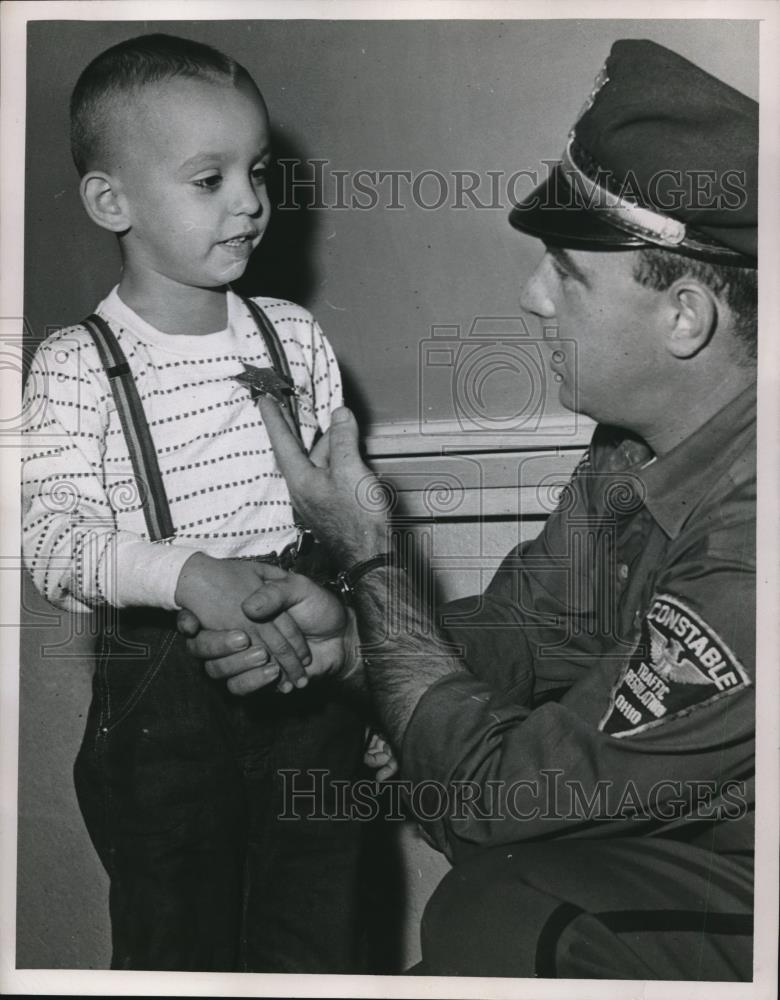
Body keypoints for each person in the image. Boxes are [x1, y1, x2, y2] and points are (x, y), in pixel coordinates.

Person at [180, 39, 758, 979]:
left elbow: (498, 796)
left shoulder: (754, 546)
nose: (533, 298)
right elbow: (526, 628)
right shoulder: (633, 449)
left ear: (684, 317)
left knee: (505, 908)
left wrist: (370, 560)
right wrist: (358, 643)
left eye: (565, 273)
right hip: (690, 868)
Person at [21, 33, 365, 972]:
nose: (251, 201)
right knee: (179, 945)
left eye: (256, 171)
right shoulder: (74, 365)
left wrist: (363, 692)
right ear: (110, 201)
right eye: (209, 179)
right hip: (161, 703)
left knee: (318, 939)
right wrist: (189, 577)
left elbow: (345, 521)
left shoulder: (292, 336)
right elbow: (50, 540)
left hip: (306, 688)